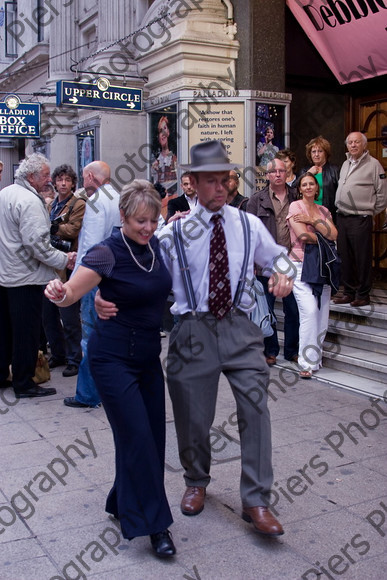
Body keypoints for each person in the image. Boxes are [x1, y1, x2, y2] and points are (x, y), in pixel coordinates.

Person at [97, 140, 294, 538]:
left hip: (240, 327)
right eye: (211, 181)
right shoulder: (174, 232)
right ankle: (196, 480)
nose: (220, 188)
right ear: (193, 183)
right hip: (191, 329)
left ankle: (256, 499)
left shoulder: (247, 224)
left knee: (256, 409)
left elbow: (280, 256)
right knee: (192, 416)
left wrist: (283, 274)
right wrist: (103, 292)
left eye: (226, 180)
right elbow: (134, 263)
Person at [45, 180, 175, 558]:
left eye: (153, 220)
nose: (148, 228)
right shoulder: (106, 252)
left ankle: (121, 501)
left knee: (151, 435)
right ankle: (156, 525)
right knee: (138, 437)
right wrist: (61, 292)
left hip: (148, 358)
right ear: (122, 217)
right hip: (112, 359)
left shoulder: (156, 250)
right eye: (140, 221)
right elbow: (73, 290)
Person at [0, 154, 76, 396]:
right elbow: (37, 246)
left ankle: (3, 375)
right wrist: (65, 259)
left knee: (5, 331)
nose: (49, 180)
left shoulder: (6, 193)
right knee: (26, 332)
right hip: (25, 277)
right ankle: (23, 383)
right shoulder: (29, 201)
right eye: (45, 175)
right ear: (31, 177)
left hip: (6, 275)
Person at [64, 161, 120, 408]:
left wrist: (77, 281)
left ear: (89, 176)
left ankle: (88, 394)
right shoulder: (117, 197)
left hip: (95, 278)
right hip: (114, 276)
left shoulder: (97, 201)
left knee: (91, 338)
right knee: (108, 337)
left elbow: (91, 246)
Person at [247, 158, 299, 366]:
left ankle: (292, 350)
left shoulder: (297, 196)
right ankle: (270, 350)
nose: (277, 174)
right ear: (267, 175)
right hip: (264, 264)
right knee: (266, 310)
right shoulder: (256, 200)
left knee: (293, 309)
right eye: (273, 171)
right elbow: (249, 234)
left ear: (286, 174)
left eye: (281, 171)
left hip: (292, 261)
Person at [287, 172, 338, 379]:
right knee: (308, 311)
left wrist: (311, 220)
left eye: (311, 184)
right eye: (304, 184)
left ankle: (315, 358)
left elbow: (334, 234)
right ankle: (305, 362)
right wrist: (322, 230)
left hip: (323, 266)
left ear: (317, 188)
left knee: (322, 314)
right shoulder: (295, 207)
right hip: (300, 264)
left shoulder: (324, 209)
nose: (308, 187)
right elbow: (302, 236)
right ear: (300, 188)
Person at [334, 132, 387, 307]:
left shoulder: (374, 165)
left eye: (357, 142)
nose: (353, 145)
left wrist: (369, 211)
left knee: (361, 258)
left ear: (364, 145)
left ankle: (363, 294)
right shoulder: (345, 163)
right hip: (342, 217)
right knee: (345, 257)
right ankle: (348, 292)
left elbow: (382, 195)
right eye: (350, 142)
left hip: (360, 218)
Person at [43, 164, 86, 377]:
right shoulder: (51, 205)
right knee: (49, 314)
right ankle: (58, 354)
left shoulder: (77, 203)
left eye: (67, 180)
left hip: (69, 263)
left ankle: (74, 358)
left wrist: (51, 227)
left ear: (73, 183)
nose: (63, 183)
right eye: (59, 179)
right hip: (52, 261)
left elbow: (72, 229)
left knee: (68, 314)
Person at [301, 136, 339, 220]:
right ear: (310, 154)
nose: (316, 154)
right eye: (313, 152)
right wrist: (309, 173)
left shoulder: (334, 170)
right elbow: (294, 188)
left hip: (328, 214)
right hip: (308, 214)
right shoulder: (305, 170)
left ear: (326, 153)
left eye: (320, 151)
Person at [151, 116, 177, 194]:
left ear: (168, 132)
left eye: (165, 129)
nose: (163, 134)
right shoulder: (155, 163)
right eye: (160, 131)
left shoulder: (175, 159)